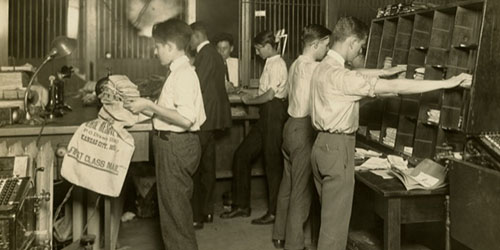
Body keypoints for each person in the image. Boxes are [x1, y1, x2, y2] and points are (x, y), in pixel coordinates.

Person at [310, 16, 472, 250]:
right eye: (361, 47)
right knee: (334, 236)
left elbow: (349, 90)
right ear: (353, 42)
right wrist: (448, 83)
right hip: (338, 150)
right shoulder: (342, 76)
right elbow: (393, 87)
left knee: (328, 222)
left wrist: (381, 78)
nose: (359, 52)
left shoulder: (321, 68)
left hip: (320, 148)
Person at [124, 19, 206, 250]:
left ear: (170, 46)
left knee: (176, 222)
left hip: (175, 146)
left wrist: (149, 107)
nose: (155, 51)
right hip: (173, 145)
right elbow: (172, 109)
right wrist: (147, 107)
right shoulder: (177, 72)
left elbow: (185, 118)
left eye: (158, 46)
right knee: (173, 218)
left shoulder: (184, 75)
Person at [272, 24, 331, 250]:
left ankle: (279, 235)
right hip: (304, 129)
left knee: (287, 186)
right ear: (315, 45)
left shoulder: (295, 63)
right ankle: (295, 245)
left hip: (289, 127)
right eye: (325, 46)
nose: (326, 51)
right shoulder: (314, 67)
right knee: (301, 191)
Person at [220, 30, 288, 225]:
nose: (257, 53)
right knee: (241, 155)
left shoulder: (278, 64)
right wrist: (244, 91)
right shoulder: (269, 63)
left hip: (274, 114)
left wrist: (249, 101)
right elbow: (263, 91)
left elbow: (269, 96)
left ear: (268, 46)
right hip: (266, 115)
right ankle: (242, 206)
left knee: (272, 164)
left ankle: (274, 212)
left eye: (258, 49)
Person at [189, 22, 232, 229]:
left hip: (203, 119)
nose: (188, 42)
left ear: (196, 36)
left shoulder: (204, 53)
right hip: (213, 119)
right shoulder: (214, 53)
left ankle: (197, 215)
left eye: (189, 37)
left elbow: (196, 86)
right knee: (208, 167)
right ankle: (206, 212)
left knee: (197, 168)